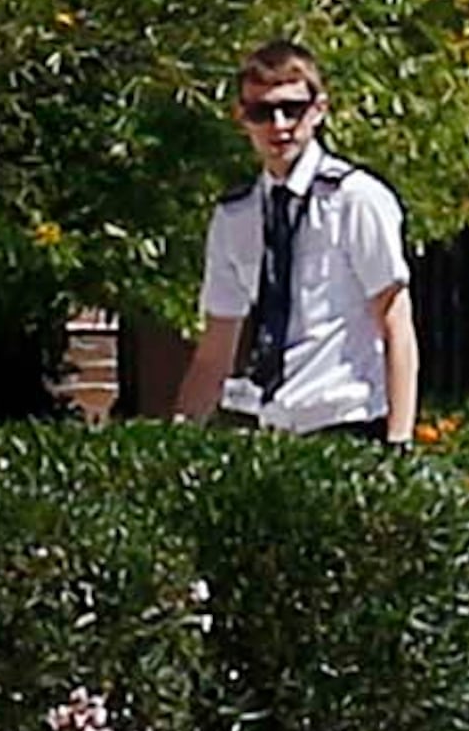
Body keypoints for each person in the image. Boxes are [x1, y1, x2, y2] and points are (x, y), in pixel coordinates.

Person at [172, 38, 418, 444]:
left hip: (347, 422)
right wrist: (178, 440)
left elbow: (395, 322)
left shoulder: (354, 199)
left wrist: (399, 441)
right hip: (267, 428)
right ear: (242, 117)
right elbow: (215, 348)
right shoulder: (236, 216)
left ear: (319, 110)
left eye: (293, 109)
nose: (279, 125)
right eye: (262, 112)